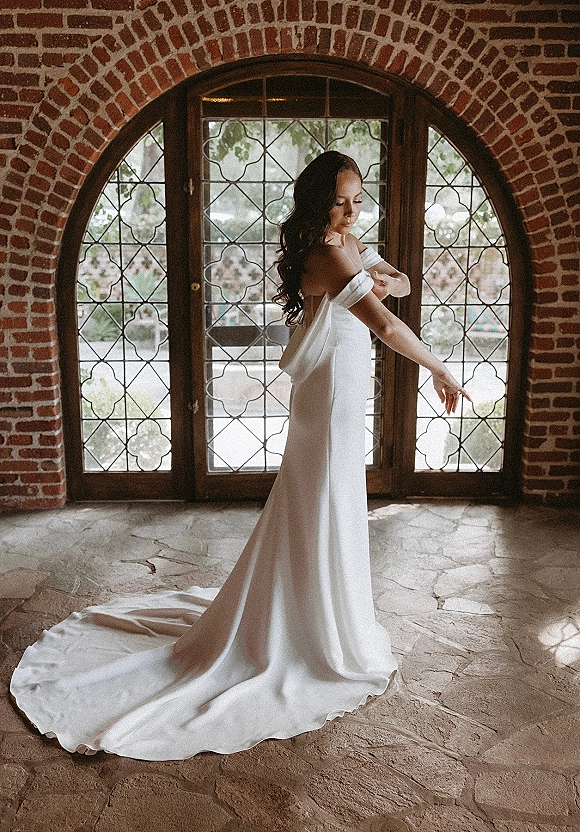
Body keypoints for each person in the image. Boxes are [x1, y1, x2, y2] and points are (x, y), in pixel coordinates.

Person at [10, 151, 468, 762]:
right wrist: (438, 364)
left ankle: (316, 611)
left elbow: (402, 281)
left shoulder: (348, 243)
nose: (353, 211)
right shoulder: (332, 253)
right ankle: (308, 631)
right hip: (329, 388)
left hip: (342, 383)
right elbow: (385, 325)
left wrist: (381, 274)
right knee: (321, 496)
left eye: (358, 199)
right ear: (316, 204)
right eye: (340, 201)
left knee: (327, 499)